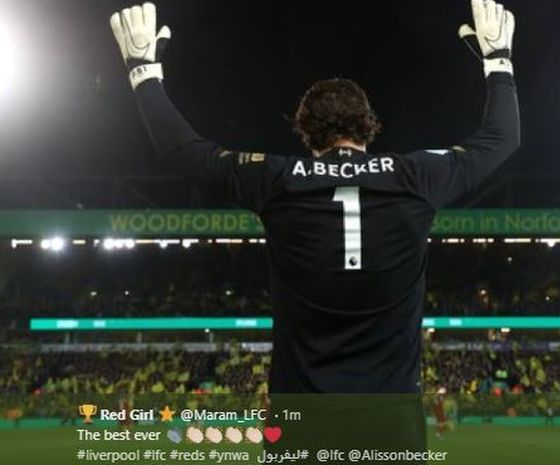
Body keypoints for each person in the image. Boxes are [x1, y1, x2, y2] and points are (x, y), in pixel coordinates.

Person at [110, 0, 519, 458]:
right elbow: (502, 138)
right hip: (390, 421)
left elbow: (184, 151)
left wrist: (143, 70)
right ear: (368, 126)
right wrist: (497, 60)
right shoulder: (416, 178)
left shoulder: (277, 180)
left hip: (300, 418)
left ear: (304, 128)